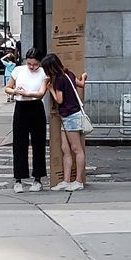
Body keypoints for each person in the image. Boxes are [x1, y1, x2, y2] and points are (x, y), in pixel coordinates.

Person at [5, 48, 50, 192]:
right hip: (20, 106)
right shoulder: (18, 70)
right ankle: (18, 179)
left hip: (36, 106)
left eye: (35, 64)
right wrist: (15, 92)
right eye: (29, 63)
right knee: (19, 143)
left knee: (38, 143)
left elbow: (41, 94)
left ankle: (38, 178)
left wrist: (27, 93)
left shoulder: (44, 73)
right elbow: (7, 88)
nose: (32, 67)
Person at [42, 54, 89, 191]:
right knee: (66, 149)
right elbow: (80, 84)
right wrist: (84, 77)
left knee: (75, 149)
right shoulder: (69, 73)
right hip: (69, 117)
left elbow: (59, 100)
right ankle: (66, 180)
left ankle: (78, 181)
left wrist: (50, 89)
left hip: (70, 116)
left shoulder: (58, 80)